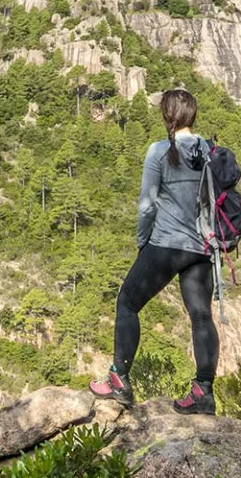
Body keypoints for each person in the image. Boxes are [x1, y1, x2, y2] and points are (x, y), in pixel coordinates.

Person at [89, 87, 218, 414]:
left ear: (167, 116)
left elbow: (147, 206)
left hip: (165, 244)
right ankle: (203, 391)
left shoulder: (159, 151)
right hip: (202, 248)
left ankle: (119, 379)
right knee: (201, 315)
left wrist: (142, 242)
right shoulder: (209, 150)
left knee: (128, 301)